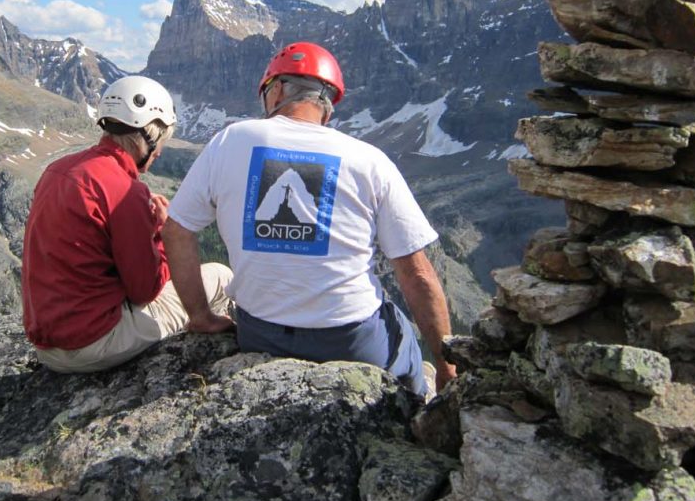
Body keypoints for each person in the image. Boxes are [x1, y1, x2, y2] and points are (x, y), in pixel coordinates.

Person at [163, 43, 456, 397]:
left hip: (260, 333)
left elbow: (176, 229)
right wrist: (447, 368)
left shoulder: (230, 141)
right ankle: (414, 408)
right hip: (352, 342)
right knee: (400, 330)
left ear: (277, 91)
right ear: (327, 106)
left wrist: (200, 316)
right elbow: (417, 275)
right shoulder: (369, 160)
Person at [22, 75, 233, 373]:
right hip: (92, 345)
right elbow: (145, 291)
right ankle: (214, 352)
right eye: (161, 141)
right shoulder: (125, 191)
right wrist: (161, 233)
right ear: (149, 134)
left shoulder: (57, 170)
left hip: (47, 346)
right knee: (221, 276)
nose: (160, 152)